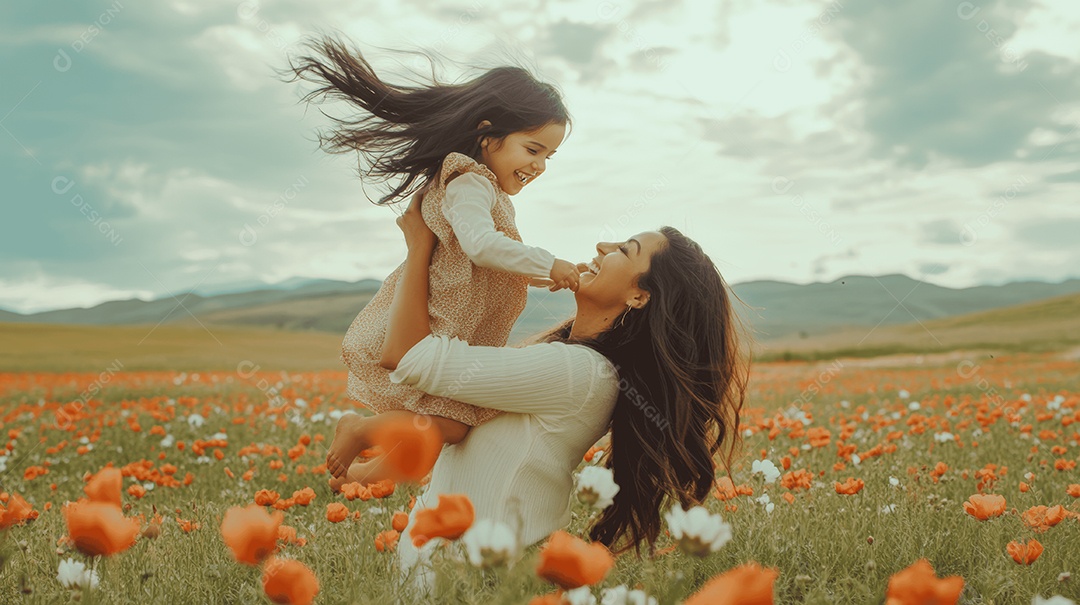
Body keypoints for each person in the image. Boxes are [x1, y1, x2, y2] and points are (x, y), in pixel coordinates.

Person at [375, 194, 749, 594]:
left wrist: (419, 248)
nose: (602, 248)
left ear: (639, 297)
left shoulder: (578, 373)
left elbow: (406, 356)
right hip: (452, 580)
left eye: (624, 250)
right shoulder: (576, 363)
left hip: (466, 586)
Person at [281, 33, 584, 480]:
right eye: (533, 149)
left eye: (549, 156)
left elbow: (487, 259)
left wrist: (544, 276)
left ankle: (360, 480)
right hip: (440, 317)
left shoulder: (487, 188)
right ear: (487, 135)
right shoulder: (468, 183)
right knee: (451, 426)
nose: (540, 165)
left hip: (461, 328)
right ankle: (360, 430)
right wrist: (546, 263)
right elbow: (480, 245)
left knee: (450, 426)